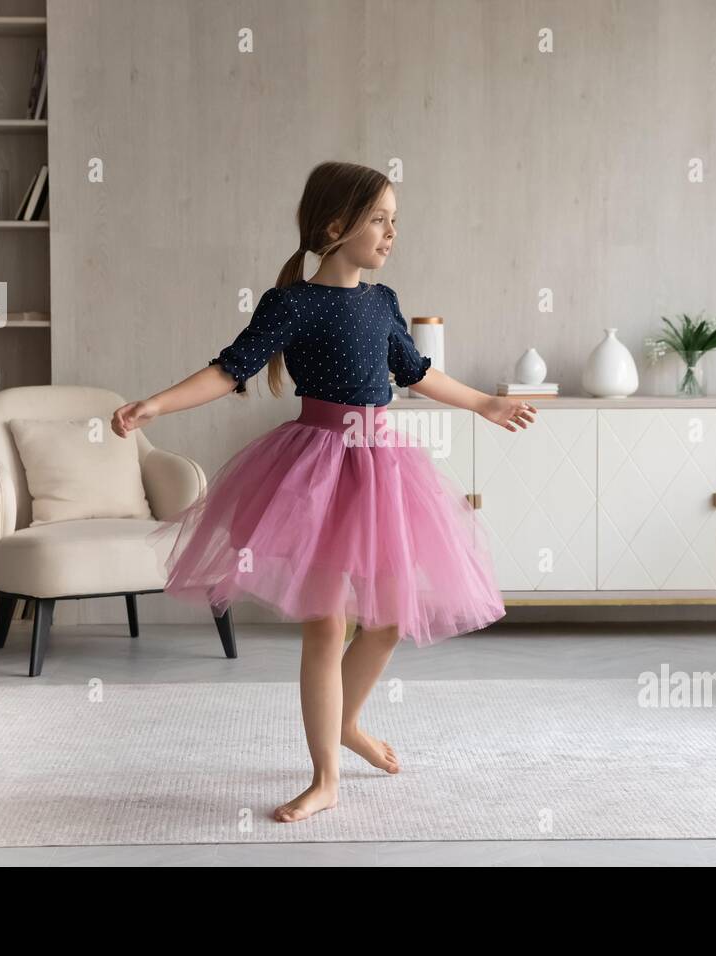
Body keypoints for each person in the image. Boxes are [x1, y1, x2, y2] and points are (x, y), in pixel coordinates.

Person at [112, 160, 535, 823]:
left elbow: (417, 372)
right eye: (378, 219)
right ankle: (326, 777)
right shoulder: (294, 304)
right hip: (316, 469)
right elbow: (231, 370)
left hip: (382, 468)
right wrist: (157, 405)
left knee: (389, 621)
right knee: (326, 624)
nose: (392, 232)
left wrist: (485, 402)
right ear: (335, 227)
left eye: (396, 220)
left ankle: (346, 721)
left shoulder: (384, 301)